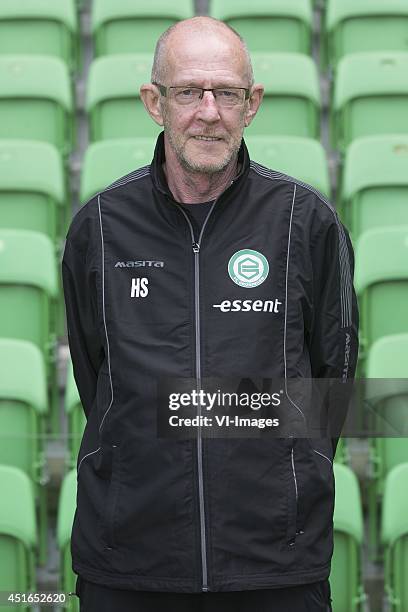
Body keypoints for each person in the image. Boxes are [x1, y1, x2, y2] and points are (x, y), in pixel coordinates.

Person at [62, 16, 359, 612]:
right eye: (188, 91)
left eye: (226, 93)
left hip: (275, 564)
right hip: (131, 560)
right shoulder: (100, 228)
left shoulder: (306, 221)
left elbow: (333, 383)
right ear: (155, 102)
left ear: (252, 104)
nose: (208, 111)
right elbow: (98, 381)